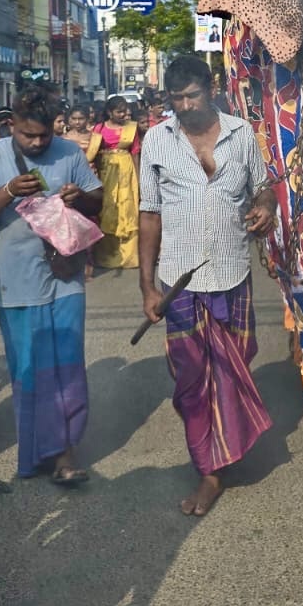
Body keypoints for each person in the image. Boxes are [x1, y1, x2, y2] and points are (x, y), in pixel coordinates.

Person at [138, 56, 276, 517]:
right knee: (194, 380)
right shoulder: (157, 139)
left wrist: (266, 209)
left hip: (232, 272)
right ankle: (209, 470)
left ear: (211, 87)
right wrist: (147, 288)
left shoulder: (241, 135)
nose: (183, 105)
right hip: (179, 282)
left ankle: (228, 447)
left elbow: (263, 188)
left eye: (191, 95)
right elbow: (149, 215)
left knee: (236, 368)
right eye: (175, 98)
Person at [0, 88, 102, 485]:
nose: (38, 143)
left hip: (66, 275)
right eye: (29, 136)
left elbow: (97, 199)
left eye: (44, 135)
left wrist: (80, 197)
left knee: (68, 366)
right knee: (28, 369)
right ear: (12, 127)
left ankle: (65, 452)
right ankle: (37, 452)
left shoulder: (69, 152)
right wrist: (8, 191)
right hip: (17, 280)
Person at [87, 95, 141, 273]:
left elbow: (134, 153)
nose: (124, 114)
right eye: (119, 111)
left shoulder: (132, 128)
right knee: (107, 210)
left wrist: (140, 178)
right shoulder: (98, 128)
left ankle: (129, 257)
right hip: (105, 173)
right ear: (109, 113)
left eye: (125, 110)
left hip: (126, 174)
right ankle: (106, 256)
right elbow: (92, 153)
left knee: (128, 210)